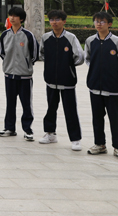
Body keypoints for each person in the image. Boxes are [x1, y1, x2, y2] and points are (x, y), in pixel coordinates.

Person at [84, 11, 118, 161]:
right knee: (97, 118)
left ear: (109, 24)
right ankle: (100, 144)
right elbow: (88, 59)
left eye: (102, 21)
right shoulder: (90, 41)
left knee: (115, 119)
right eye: (96, 21)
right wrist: (96, 73)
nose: (99, 24)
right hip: (95, 87)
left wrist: (117, 76)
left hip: (114, 89)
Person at [39, 9, 85, 150]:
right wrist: (51, 65)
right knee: (51, 108)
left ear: (64, 21)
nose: (54, 22)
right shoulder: (46, 38)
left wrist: (67, 66)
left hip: (67, 80)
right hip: (51, 80)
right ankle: (50, 134)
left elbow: (80, 57)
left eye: (57, 19)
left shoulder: (71, 38)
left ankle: (75, 139)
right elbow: (41, 54)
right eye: (52, 19)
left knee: (70, 110)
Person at [0, 7, 40, 141]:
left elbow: (35, 54)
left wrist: (26, 65)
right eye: (10, 15)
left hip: (24, 76)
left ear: (21, 19)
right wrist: (8, 64)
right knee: (10, 103)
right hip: (9, 75)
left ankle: (28, 130)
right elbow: (2, 53)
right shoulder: (5, 35)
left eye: (15, 16)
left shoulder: (28, 35)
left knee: (26, 103)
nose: (12, 18)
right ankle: (9, 128)